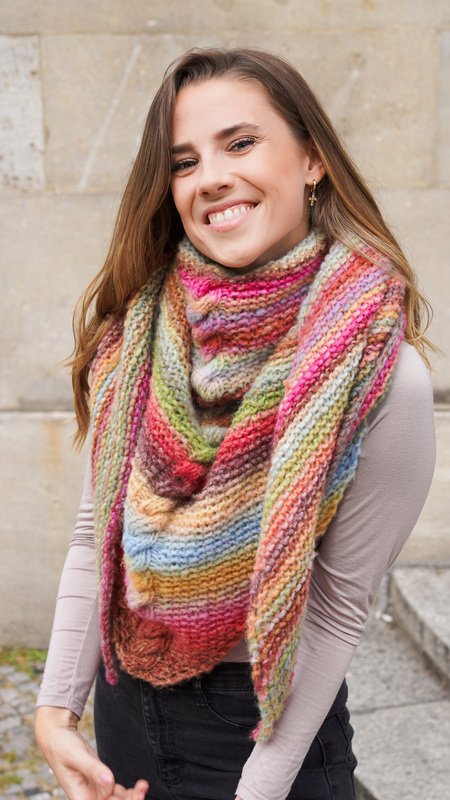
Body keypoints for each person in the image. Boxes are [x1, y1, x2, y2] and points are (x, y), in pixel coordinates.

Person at [35, 48, 436, 800]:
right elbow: (97, 537)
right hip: (125, 716)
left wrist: (258, 790)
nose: (211, 177)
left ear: (312, 160)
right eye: (184, 162)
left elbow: (336, 608)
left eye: (241, 143)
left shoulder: (382, 375)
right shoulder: (139, 335)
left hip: (260, 737)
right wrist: (56, 712)